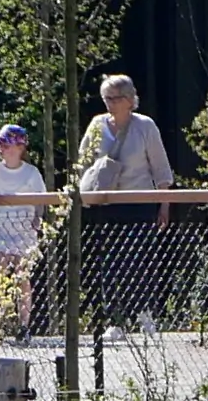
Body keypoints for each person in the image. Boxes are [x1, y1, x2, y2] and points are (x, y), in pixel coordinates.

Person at [69, 72, 179, 339]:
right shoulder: (97, 125)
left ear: (130, 100)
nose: (110, 103)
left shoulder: (145, 126)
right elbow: (82, 162)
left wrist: (164, 204)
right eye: (107, 98)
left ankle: (144, 314)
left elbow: (160, 168)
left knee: (139, 259)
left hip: (140, 203)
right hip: (105, 204)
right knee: (110, 263)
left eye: (116, 98)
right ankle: (115, 320)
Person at [0, 121, 50, 302]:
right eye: (0, 144)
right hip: (0, 235)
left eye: (6, 144)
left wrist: (38, 218)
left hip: (25, 234)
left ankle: (23, 326)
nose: (1, 148)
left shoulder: (31, 172)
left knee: (23, 281)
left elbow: (41, 200)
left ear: (20, 148)